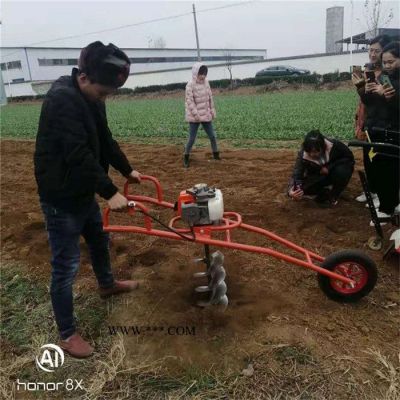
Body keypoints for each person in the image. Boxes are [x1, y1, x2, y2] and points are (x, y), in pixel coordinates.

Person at [34, 41, 142, 358]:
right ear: (84, 77)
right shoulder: (61, 101)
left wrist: (127, 169)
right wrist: (110, 192)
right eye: (103, 91)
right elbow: (78, 155)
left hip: (81, 190)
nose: (105, 97)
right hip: (61, 196)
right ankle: (67, 334)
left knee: (99, 240)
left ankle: (107, 284)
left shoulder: (91, 97)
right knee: (65, 266)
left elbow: (104, 139)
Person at [357, 41, 400, 224]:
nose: (387, 66)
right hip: (382, 128)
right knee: (386, 169)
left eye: (391, 62)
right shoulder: (385, 78)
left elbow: (395, 104)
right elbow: (373, 103)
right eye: (386, 63)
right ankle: (388, 204)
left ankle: (387, 209)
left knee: (389, 171)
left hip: (393, 130)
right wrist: (364, 90)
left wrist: (388, 95)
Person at [352, 34, 391, 207]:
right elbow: (368, 101)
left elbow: (383, 101)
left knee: (379, 158)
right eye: (370, 50)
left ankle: (382, 194)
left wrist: (365, 88)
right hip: (370, 121)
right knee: (369, 157)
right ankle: (374, 190)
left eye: (377, 51)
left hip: (383, 123)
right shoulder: (369, 71)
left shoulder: (386, 75)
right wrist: (361, 87)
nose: (372, 54)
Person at [288, 130, 355, 207]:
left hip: (335, 171)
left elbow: (349, 158)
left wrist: (329, 167)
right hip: (318, 175)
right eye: (309, 151)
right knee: (303, 189)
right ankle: (326, 189)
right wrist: (291, 191)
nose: (312, 154)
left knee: (342, 171)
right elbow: (297, 173)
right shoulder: (303, 154)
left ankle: (334, 194)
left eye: (316, 151)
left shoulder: (335, 145)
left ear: (323, 147)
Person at [183, 63, 220, 168]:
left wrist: (212, 110)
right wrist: (196, 115)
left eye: (204, 73)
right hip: (194, 116)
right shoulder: (190, 85)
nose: (203, 76)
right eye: (201, 73)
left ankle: (216, 155)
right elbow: (189, 102)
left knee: (212, 136)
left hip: (206, 114)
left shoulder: (206, 83)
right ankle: (186, 156)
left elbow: (210, 97)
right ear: (196, 73)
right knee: (192, 138)